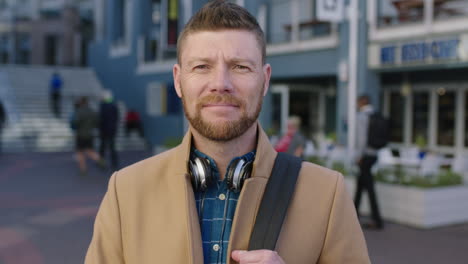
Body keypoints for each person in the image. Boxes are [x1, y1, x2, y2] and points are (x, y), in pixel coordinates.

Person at [85, 1, 370, 263]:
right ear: (178, 80)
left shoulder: (327, 193)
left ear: (265, 79)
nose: (220, 83)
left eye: (240, 67)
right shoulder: (126, 191)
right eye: (201, 67)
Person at [354, 94, 384, 230]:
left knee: (369, 188)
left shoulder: (362, 116)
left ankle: (377, 220)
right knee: (360, 185)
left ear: (361, 102)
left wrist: (359, 155)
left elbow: (362, 138)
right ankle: (353, 215)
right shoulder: (376, 114)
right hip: (374, 154)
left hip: (365, 156)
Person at [72, 97, 105, 175]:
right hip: (90, 134)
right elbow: (97, 122)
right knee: (90, 150)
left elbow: (75, 123)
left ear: (81, 102)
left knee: (80, 152)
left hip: (80, 134)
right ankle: (99, 159)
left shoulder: (79, 111)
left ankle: (83, 169)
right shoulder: (92, 111)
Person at [99, 90, 119, 170]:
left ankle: (101, 162)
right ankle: (114, 162)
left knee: (103, 147)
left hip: (104, 130)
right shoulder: (114, 106)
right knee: (112, 146)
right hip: (112, 129)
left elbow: (101, 119)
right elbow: (116, 118)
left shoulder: (103, 106)